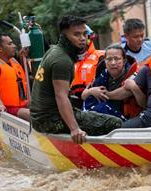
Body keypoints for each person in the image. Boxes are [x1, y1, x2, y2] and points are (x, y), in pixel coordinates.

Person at [30, 15, 122, 144]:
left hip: (40, 117)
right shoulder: (62, 60)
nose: (83, 38)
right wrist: (75, 129)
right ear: (64, 35)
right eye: (77, 34)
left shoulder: (53, 51)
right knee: (114, 122)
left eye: (85, 34)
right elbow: (60, 96)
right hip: (50, 121)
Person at [82, 44, 139, 120]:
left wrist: (101, 94)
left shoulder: (134, 73)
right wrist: (91, 91)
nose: (113, 63)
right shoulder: (101, 73)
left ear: (124, 61)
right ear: (105, 61)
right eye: (109, 59)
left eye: (117, 59)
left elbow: (123, 93)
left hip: (130, 117)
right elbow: (84, 95)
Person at [69, 25, 105, 109]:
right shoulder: (65, 60)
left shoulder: (102, 57)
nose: (80, 40)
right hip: (72, 106)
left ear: (89, 39)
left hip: (95, 104)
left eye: (84, 36)